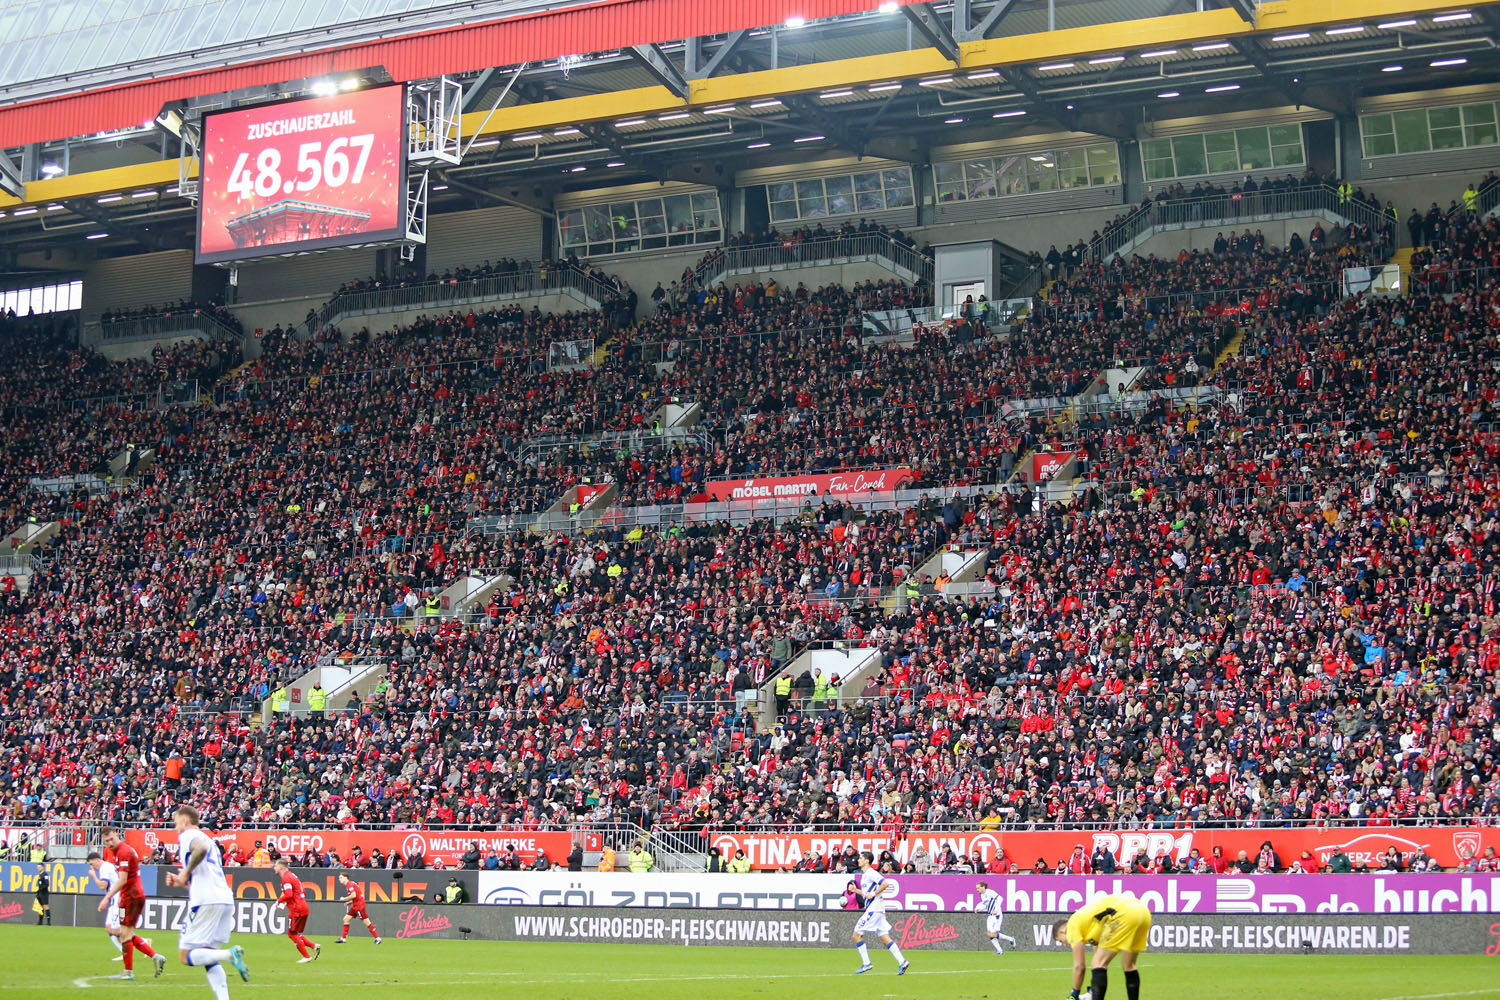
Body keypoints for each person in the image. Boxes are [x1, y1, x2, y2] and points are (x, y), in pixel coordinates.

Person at [165, 804, 250, 998]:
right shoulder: (209, 840)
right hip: (224, 899)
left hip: (206, 900)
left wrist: (185, 872)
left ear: (185, 821)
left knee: (185, 955)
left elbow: (200, 849)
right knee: (208, 956)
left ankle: (230, 954)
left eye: (176, 823)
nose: (175, 828)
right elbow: (202, 874)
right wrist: (182, 881)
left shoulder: (188, 836)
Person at [1054, 892, 1151, 1000]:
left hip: (1124, 913)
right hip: (1143, 911)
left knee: (1098, 963)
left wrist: (1074, 994)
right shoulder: (1088, 924)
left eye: (1061, 941)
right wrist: (1093, 990)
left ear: (1063, 932)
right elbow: (1098, 954)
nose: (1065, 944)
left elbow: (1080, 967)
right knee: (1129, 966)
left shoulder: (1071, 925)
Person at [99, 829, 165, 980]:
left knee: (124, 934)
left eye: (111, 839)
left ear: (117, 835)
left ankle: (128, 972)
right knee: (125, 933)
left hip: (131, 896)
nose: (110, 843)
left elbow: (122, 880)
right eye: (106, 841)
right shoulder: (118, 851)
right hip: (131, 896)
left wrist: (107, 897)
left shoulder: (124, 852)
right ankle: (155, 957)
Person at [851, 850, 909, 976]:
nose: (858, 860)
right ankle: (902, 961)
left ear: (867, 860)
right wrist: (856, 890)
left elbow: (885, 883)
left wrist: (874, 893)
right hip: (877, 909)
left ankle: (866, 963)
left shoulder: (871, 873)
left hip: (874, 909)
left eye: (861, 858)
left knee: (856, 935)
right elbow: (867, 894)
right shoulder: (865, 875)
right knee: (884, 937)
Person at [272, 860, 319, 963]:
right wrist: (286, 902)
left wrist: (279, 901)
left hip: (296, 908)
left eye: (275, 866)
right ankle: (313, 946)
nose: (274, 868)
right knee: (294, 933)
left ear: (280, 867)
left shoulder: (286, 878)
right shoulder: (292, 876)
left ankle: (306, 957)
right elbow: (301, 891)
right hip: (302, 906)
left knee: (292, 934)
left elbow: (289, 894)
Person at [86, 850, 128, 960]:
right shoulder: (106, 866)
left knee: (115, 930)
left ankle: (142, 942)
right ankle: (124, 953)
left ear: (97, 860)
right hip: (114, 898)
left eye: (92, 864)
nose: (91, 867)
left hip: (119, 898)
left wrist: (94, 876)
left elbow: (102, 886)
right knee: (109, 928)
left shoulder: (104, 868)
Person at [335, 872, 381, 945]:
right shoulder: (351, 883)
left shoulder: (349, 884)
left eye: (341, 877)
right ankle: (343, 939)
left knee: (366, 922)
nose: (339, 879)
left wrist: (344, 898)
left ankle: (377, 938)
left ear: (345, 878)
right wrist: (350, 902)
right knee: (346, 919)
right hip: (356, 904)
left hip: (359, 906)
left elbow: (354, 895)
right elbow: (358, 895)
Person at [976, 880, 1017, 955]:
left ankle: (1011, 939)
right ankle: (1000, 951)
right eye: (976, 888)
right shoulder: (982, 895)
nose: (977, 890)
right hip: (990, 915)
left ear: (983, 887)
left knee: (993, 934)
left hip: (997, 916)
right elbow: (986, 905)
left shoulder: (990, 892)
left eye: (978, 888)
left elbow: (1000, 898)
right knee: (989, 934)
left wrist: (996, 909)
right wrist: (979, 909)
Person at [33, 861, 50, 926]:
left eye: (39, 867)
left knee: (46, 906)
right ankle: (40, 922)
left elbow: (46, 884)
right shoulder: (40, 875)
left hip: (44, 893)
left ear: (43, 867)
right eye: (37, 867)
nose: (38, 868)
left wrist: (41, 888)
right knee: (40, 907)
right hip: (40, 892)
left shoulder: (45, 874)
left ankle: (48, 922)